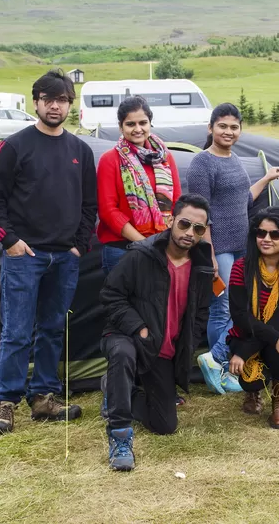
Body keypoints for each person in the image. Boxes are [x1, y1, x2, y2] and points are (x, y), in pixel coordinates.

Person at [0, 69, 98, 434]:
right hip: (24, 257)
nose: (55, 106)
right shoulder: (15, 146)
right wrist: (10, 242)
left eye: (62, 100)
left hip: (65, 258)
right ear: (36, 102)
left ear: (69, 106)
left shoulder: (80, 150)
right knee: (17, 332)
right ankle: (5, 402)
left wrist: (79, 246)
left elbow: (89, 205)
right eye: (48, 99)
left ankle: (44, 398)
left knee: (52, 329)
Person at [99, 194, 214, 471]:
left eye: (198, 229)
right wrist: (139, 327)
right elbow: (111, 295)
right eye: (185, 224)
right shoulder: (141, 254)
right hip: (126, 336)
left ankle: (114, 389)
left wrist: (188, 342)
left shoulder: (203, 266)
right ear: (171, 220)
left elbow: (201, 314)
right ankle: (120, 435)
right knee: (123, 354)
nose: (190, 233)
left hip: (163, 349)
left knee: (165, 425)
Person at [186, 103, 279, 395]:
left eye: (234, 127)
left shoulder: (234, 159)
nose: (228, 132)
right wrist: (211, 255)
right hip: (219, 249)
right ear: (211, 128)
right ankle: (216, 364)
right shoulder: (202, 163)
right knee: (223, 309)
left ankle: (230, 366)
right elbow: (198, 216)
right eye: (223, 126)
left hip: (243, 247)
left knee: (241, 308)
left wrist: (265, 179)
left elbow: (243, 200)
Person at [227, 208, 279, 429]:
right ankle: (252, 392)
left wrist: (244, 353)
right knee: (250, 376)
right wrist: (249, 348)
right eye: (261, 233)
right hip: (246, 330)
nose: (266, 239)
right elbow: (239, 316)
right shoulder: (240, 268)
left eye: (275, 234)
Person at [96, 95, 183, 276]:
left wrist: (161, 242)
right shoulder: (110, 160)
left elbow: (177, 202)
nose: (138, 129)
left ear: (150, 124)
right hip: (122, 250)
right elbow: (107, 210)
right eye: (130, 124)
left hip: (161, 248)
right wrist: (144, 243)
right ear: (121, 127)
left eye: (143, 123)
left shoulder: (165, 158)